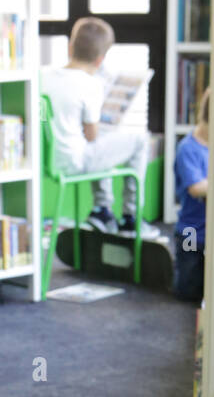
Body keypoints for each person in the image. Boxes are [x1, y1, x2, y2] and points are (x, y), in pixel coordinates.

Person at [41, 17, 148, 236]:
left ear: (70, 48)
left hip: (46, 160)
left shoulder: (44, 77)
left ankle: (103, 210)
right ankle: (129, 216)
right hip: (73, 162)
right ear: (100, 61)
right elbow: (91, 136)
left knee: (103, 145)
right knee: (138, 140)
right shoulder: (90, 85)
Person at [173, 87, 210, 303]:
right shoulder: (188, 148)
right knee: (187, 291)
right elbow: (196, 188)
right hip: (190, 230)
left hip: (210, 229)